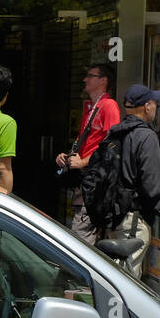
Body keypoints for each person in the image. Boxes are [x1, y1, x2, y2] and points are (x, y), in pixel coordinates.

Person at [104, 84, 160, 278]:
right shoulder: (146, 136)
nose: (156, 108)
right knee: (127, 281)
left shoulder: (115, 133)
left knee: (118, 275)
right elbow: (152, 180)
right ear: (147, 106)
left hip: (114, 216)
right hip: (133, 220)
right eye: (155, 103)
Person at [59, 63, 121, 242]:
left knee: (79, 241)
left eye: (90, 76)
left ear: (103, 80)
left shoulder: (109, 106)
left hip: (94, 184)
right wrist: (69, 156)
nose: (85, 79)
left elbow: (112, 146)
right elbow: (88, 143)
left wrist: (84, 162)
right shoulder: (92, 107)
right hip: (85, 182)